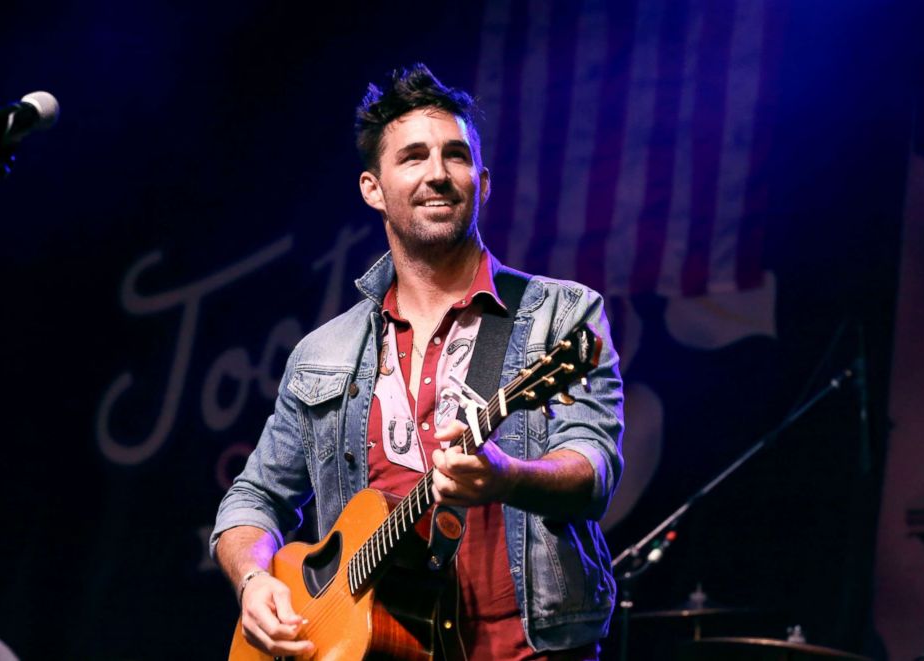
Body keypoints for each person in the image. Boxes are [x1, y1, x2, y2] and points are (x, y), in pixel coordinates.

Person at [211, 63, 624, 660]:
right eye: (413, 157)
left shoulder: (564, 315)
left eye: (455, 156)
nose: (438, 174)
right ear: (371, 188)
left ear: (481, 183)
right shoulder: (322, 353)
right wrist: (253, 579)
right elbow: (252, 499)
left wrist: (509, 478)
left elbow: (594, 467)